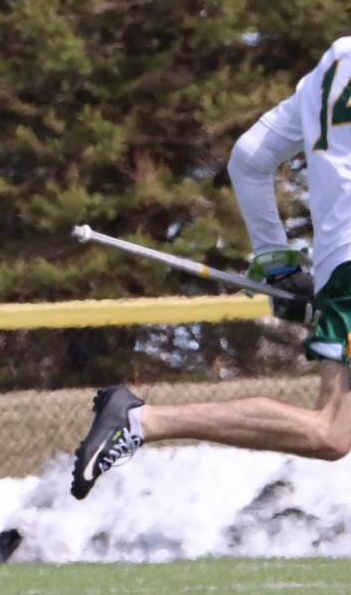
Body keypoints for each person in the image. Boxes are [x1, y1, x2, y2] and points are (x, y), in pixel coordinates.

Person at [72, 35, 351, 498]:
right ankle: (142, 419)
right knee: (331, 429)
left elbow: (248, 158)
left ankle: (142, 419)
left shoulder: (332, 63)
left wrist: (279, 266)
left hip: (340, 259)